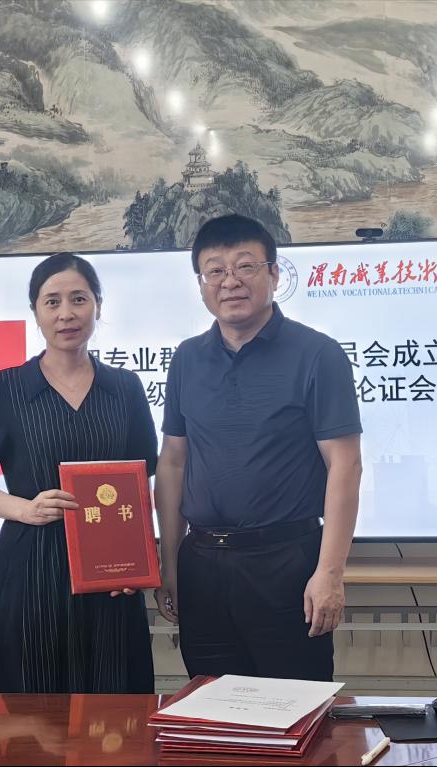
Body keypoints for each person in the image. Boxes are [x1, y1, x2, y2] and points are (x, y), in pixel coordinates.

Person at [154, 214, 363, 682]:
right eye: (215, 270)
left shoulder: (318, 354)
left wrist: (330, 573)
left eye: (245, 266)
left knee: (293, 709)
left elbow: (345, 466)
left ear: (274, 274)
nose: (230, 281)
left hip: (286, 564)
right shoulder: (187, 358)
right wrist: (170, 565)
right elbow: (173, 463)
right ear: (201, 284)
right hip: (202, 565)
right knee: (211, 708)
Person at [0, 252, 157, 694]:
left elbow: (141, 483)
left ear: (98, 306)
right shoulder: (6, 388)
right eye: (52, 301)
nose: (66, 313)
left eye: (79, 299)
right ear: (36, 311)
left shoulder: (125, 388)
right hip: (31, 568)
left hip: (109, 575)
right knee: (31, 707)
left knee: (111, 708)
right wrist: (24, 510)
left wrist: (138, 562)